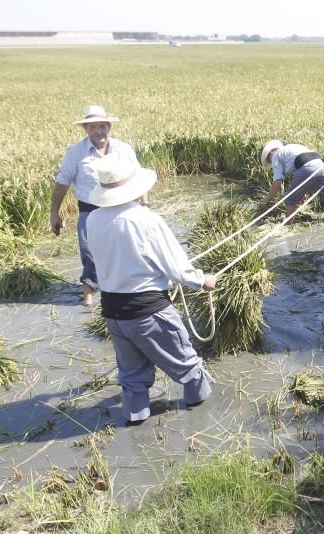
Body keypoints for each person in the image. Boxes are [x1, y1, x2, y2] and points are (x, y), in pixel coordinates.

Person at [84, 153, 216, 426]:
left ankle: (134, 423)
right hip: (149, 312)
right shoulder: (145, 220)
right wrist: (202, 280)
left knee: (132, 375)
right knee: (188, 365)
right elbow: (176, 266)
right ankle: (200, 407)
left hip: (113, 313)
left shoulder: (93, 219)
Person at [50, 105, 143, 306]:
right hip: (90, 209)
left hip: (123, 207)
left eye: (102, 126)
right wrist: (54, 213)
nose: (98, 131)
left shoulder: (123, 149)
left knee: (128, 248)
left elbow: (138, 176)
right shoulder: (75, 152)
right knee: (89, 251)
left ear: (109, 126)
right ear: (85, 129)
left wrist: (145, 205)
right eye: (93, 127)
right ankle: (88, 294)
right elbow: (62, 182)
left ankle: (124, 290)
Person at [258, 140, 324, 220]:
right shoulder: (289, 149)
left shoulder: (275, 156)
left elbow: (277, 182)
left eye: (269, 160)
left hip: (307, 167)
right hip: (320, 164)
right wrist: (301, 194)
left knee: (289, 200)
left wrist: (265, 200)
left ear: (271, 152)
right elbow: (301, 174)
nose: (271, 162)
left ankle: (288, 226)